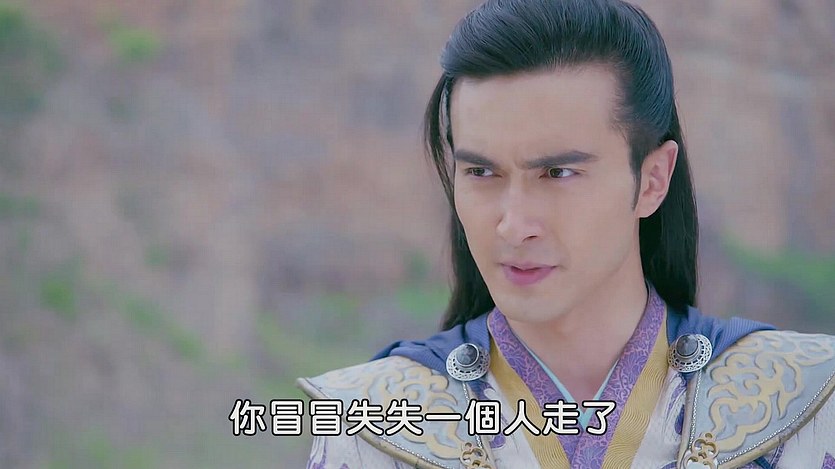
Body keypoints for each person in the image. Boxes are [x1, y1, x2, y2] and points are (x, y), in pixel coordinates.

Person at [297, 0, 835, 467]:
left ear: (652, 180)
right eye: (481, 172)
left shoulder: (805, 399)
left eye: (557, 173)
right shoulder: (373, 423)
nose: (513, 225)